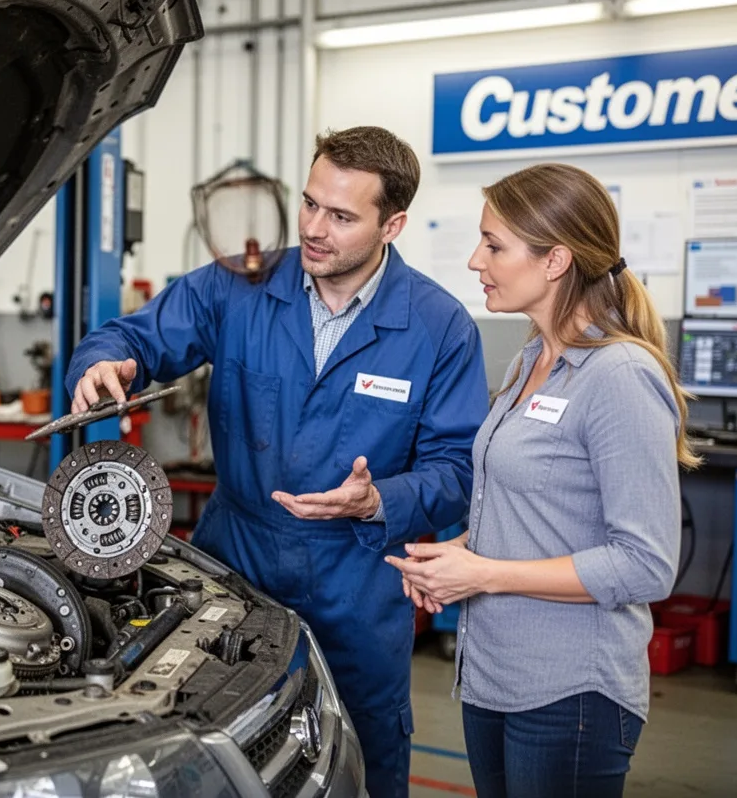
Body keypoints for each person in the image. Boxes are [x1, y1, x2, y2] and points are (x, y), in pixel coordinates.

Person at [67, 126, 488, 796]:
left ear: (393, 224)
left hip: (359, 581)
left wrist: (381, 501)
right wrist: (104, 363)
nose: (315, 229)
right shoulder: (239, 285)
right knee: (210, 753)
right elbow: (128, 336)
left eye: (342, 216)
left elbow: (460, 470)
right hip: (236, 568)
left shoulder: (439, 329)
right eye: (310, 202)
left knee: (364, 756)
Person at [386, 163, 698, 798]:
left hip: (570, 690)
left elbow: (645, 565)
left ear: (555, 260)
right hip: (493, 674)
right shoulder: (532, 358)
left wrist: (485, 573)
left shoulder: (619, 376)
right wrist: (462, 550)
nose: (476, 260)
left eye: (494, 244)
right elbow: (536, 506)